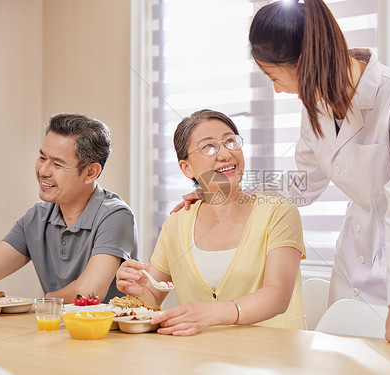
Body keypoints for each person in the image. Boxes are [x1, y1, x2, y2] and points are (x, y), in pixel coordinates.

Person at [177, 0, 390, 346]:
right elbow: (301, 185)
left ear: (305, 63)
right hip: (358, 255)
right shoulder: (316, 106)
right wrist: (225, 190)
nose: (276, 89)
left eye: (274, 76)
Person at [116, 109, 306, 336]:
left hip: (275, 359)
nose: (225, 154)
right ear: (187, 168)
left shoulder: (280, 213)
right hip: (202, 360)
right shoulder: (176, 224)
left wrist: (211, 313)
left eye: (230, 141)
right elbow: (151, 296)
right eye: (208, 147)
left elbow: (277, 295)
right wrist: (138, 290)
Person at [0, 113, 138, 303]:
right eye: (42, 158)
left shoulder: (115, 215)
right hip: (56, 330)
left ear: (91, 172)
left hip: (106, 331)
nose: (43, 171)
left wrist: (46, 301)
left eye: (57, 164)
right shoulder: (37, 217)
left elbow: (90, 291)